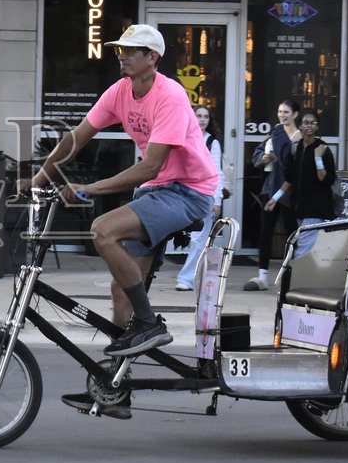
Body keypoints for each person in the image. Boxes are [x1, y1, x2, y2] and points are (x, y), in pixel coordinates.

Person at [21, 24, 219, 411]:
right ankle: (116, 385)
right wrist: (37, 178)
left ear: (153, 58)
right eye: (119, 50)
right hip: (159, 190)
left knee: (102, 230)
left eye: (132, 50)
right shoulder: (120, 92)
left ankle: (149, 325)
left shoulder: (171, 97)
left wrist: (89, 189)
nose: (123, 56)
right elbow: (77, 138)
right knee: (121, 287)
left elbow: (151, 167)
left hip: (189, 191)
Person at [244, 98, 301, 291]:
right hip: (270, 187)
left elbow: (297, 170)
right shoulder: (274, 134)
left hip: (290, 191)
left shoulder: (300, 138)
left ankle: (292, 273)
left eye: (286, 112)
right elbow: (257, 157)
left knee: (291, 232)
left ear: (295, 115)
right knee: (265, 232)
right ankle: (263, 276)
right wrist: (264, 158)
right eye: (280, 111)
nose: (282, 115)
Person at [266, 110, 337, 258]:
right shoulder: (296, 148)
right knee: (308, 245)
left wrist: (318, 159)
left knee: (303, 248)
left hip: (316, 207)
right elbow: (290, 178)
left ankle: (296, 276)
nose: (309, 126)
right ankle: (306, 276)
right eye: (306, 122)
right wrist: (275, 198)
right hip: (299, 206)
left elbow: (326, 180)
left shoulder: (323, 149)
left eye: (313, 123)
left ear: (317, 127)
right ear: (300, 126)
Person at [174, 104, 226, 291]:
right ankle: (197, 276)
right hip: (182, 194)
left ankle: (186, 279)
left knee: (198, 239)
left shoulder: (212, 142)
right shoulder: (183, 138)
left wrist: (217, 199)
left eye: (206, 116)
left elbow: (217, 172)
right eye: (198, 115)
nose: (202, 119)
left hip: (205, 195)